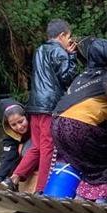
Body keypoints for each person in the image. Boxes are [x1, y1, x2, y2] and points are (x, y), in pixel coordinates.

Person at [51, 39, 107, 202]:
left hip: (56, 126)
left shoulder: (82, 76)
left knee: (91, 171)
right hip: (79, 127)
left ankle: (84, 199)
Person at [13, 19, 78, 193]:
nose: (69, 41)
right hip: (50, 106)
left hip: (34, 105)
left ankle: (16, 176)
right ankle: (41, 189)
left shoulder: (39, 50)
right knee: (49, 148)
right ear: (62, 35)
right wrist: (71, 56)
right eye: (68, 37)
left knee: (36, 146)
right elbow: (67, 78)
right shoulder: (60, 52)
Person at [0, 98, 31, 193]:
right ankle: (13, 184)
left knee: (23, 148)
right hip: (24, 165)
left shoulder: (37, 122)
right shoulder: (10, 136)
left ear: (26, 116)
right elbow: (8, 158)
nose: (19, 127)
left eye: (21, 121)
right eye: (13, 125)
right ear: (8, 125)